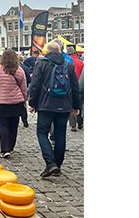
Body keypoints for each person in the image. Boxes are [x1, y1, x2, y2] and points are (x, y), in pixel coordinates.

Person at [28, 41, 80, 178]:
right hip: (64, 106)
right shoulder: (68, 64)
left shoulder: (42, 63)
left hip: (46, 105)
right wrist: (76, 106)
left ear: (47, 51)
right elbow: (75, 87)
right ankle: (58, 164)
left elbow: (35, 85)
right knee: (60, 135)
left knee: (42, 132)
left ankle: (50, 163)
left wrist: (32, 103)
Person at [0, 49, 28, 158]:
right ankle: (11, 147)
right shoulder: (20, 70)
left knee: (2, 125)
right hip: (16, 102)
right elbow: (23, 87)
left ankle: (5, 148)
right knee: (13, 126)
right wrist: (24, 99)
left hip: (1, 102)